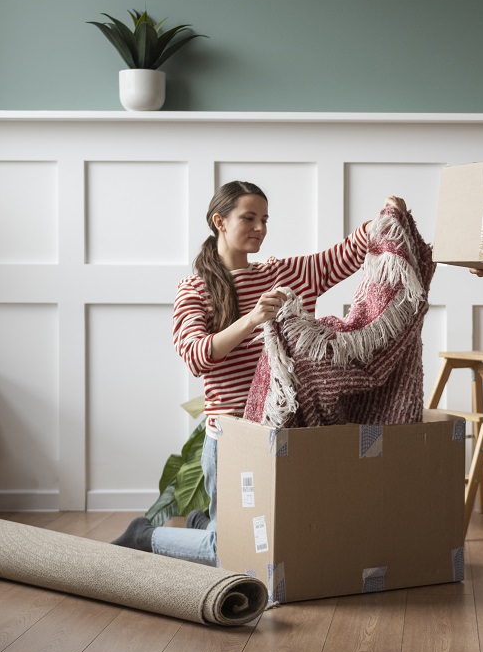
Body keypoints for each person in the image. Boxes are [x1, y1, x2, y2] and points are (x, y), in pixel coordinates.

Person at [113, 181, 406, 566]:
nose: (260, 228)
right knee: (227, 553)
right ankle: (144, 535)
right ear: (219, 221)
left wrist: (386, 215)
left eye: (264, 219)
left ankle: (204, 522)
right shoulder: (195, 289)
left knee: (275, 534)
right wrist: (252, 319)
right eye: (248, 218)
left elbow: (343, 255)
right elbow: (196, 356)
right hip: (232, 436)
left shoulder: (281, 273)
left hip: (278, 430)